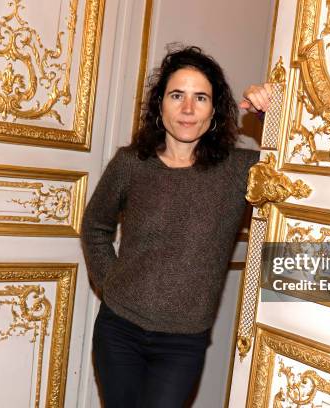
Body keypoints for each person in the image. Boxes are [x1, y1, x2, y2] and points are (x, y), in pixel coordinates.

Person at [80, 45, 272, 408]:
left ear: (214, 111)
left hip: (183, 342)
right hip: (119, 329)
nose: (187, 109)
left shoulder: (238, 171)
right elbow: (95, 225)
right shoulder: (130, 164)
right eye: (177, 96)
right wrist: (110, 283)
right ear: (160, 106)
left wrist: (268, 112)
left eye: (200, 97)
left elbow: (294, 165)